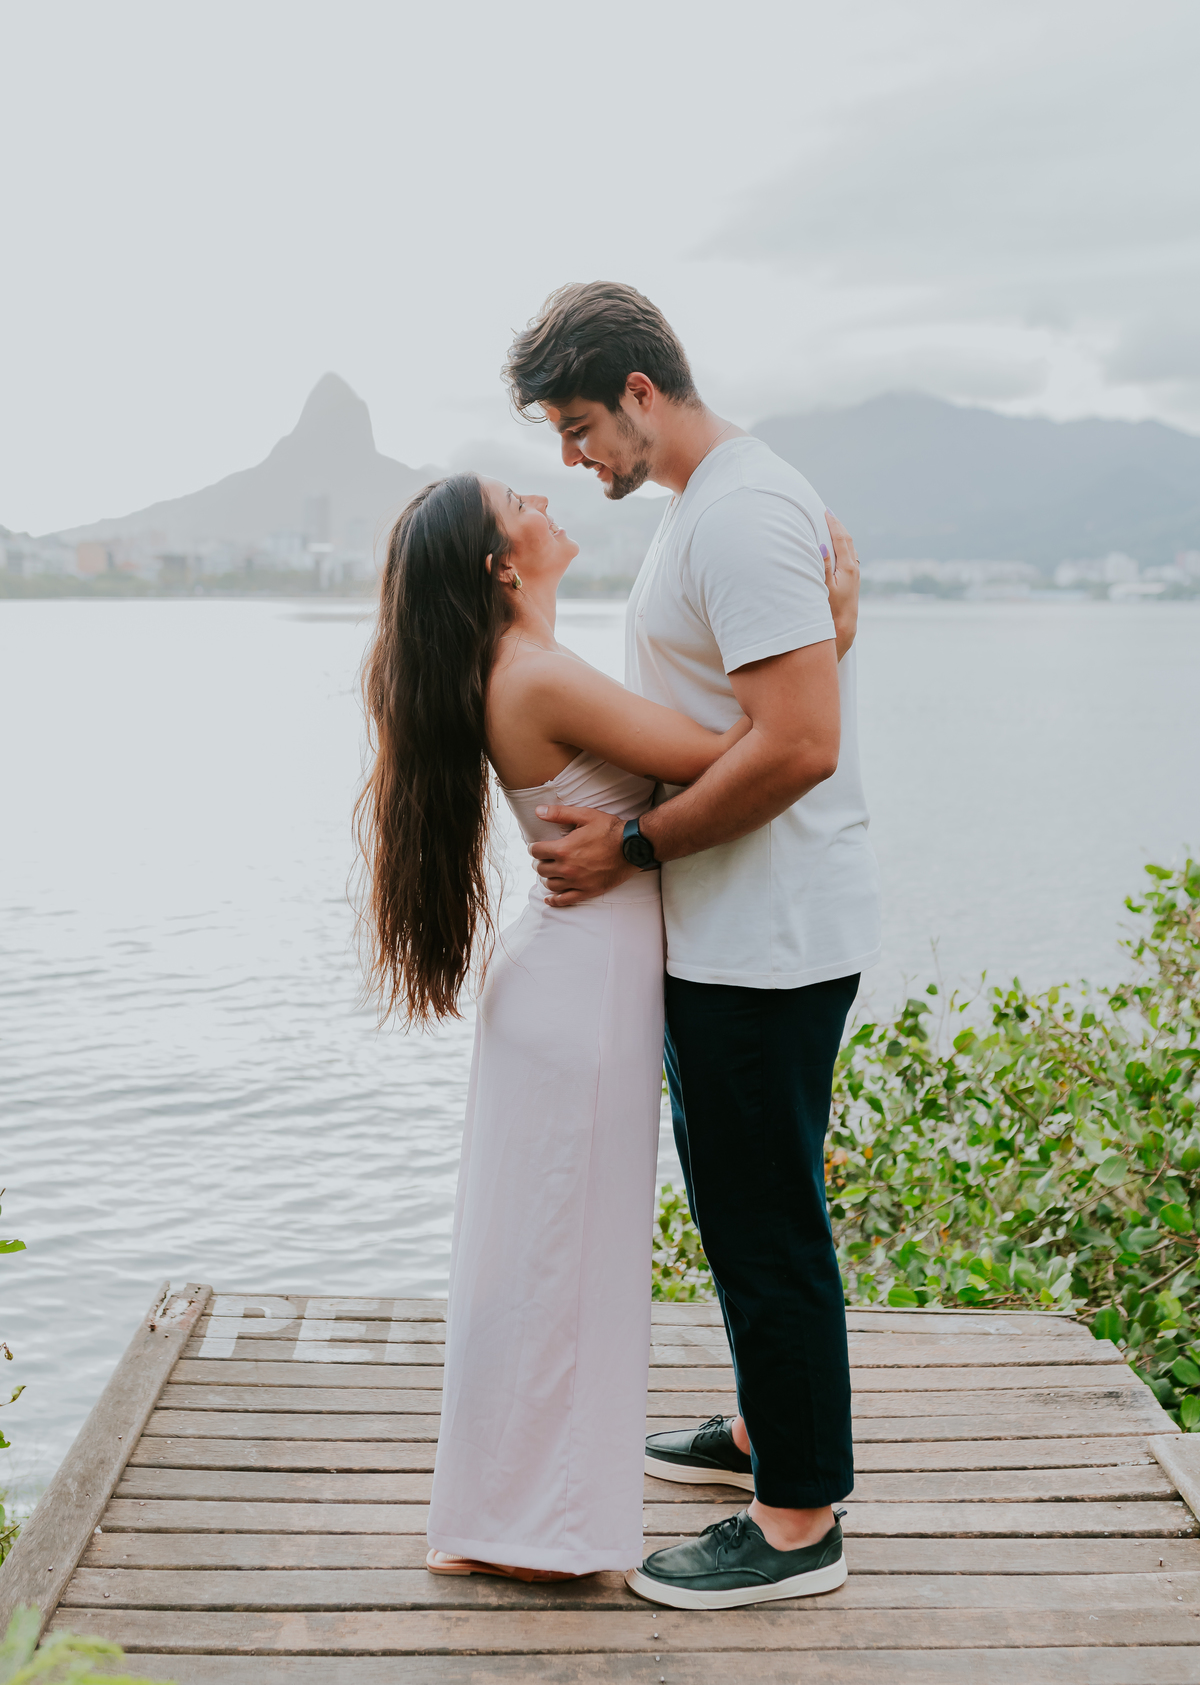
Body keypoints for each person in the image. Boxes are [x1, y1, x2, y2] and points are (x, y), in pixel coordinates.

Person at [355, 468, 859, 1583]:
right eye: (517, 497)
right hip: (580, 997)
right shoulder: (536, 674)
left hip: (574, 984)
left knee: (539, 1259)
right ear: (501, 563)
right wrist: (831, 637)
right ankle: (535, 1532)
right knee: (561, 1263)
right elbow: (738, 748)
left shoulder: (521, 667)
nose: (543, 494)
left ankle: (510, 1517)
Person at [504, 281, 881, 1609]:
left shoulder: (742, 509)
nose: (571, 456)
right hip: (734, 930)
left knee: (767, 1220)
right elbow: (763, 695)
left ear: (641, 391)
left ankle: (796, 1524)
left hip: (764, 939)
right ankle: (761, 1425)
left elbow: (800, 740)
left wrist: (638, 847)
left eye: (577, 423)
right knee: (738, 1207)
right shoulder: (705, 510)